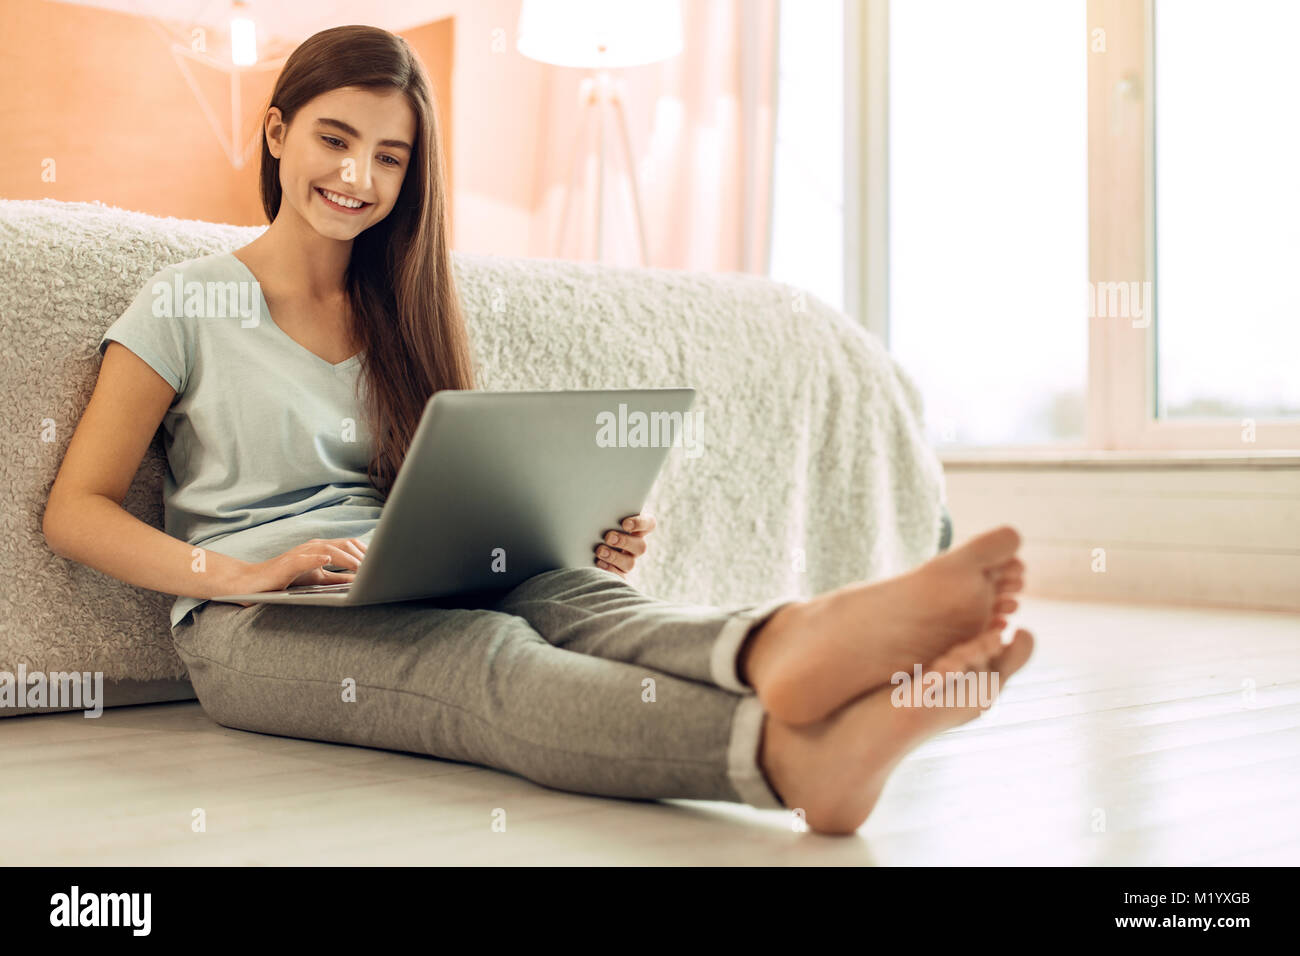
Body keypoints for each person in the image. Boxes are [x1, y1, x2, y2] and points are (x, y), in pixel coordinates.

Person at [42, 25, 1032, 836]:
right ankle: (787, 752)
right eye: (334, 138)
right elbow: (75, 510)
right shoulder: (185, 299)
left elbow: (441, 486)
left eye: (390, 156)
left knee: (582, 596)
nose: (357, 174)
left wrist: (564, 531)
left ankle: (782, 637)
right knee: (485, 659)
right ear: (275, 133)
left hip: (397, 569)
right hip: (252, 625)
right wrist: (240, 573)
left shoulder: (407, 308)